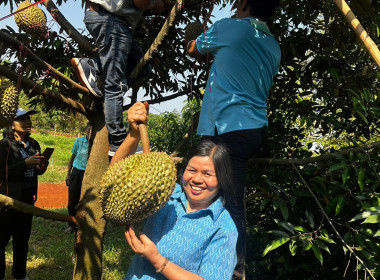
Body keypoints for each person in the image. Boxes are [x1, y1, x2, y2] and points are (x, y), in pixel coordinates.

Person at [186, 0, 281, 278]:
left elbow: (194, 49)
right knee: (222, 198)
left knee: (223, 201)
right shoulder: (273, 45)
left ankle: (234, 272)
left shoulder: (229, 28)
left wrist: (188, 39)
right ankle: (214, 260)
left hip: (228, 129)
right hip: (253, 129)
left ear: (244, 4)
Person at [109, 102, 238, 280]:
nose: (197, 179)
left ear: (222, 180)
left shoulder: (223, 227)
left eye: (207, 174)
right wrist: (133, 135)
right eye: (192, 170)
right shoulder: (166, 194)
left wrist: (158, 261)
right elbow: (116, 180)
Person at [70, 0, 173, 158]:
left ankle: (95, 67)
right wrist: (153, 3)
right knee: (115, 85)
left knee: (143, 68)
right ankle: (117, 140)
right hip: (111, 19)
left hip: (109, 19)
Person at [0, 108, 49, 280]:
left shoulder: (34, 144)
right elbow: (2, 173)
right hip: (8, 200)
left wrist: (40, 167)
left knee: (22, 240)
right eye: (23, 119)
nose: (28, 122)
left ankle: (19, 275)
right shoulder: (5, 145)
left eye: (29, 119)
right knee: (2, 239)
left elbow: (36, 171)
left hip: (27, 199)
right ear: (12, 124)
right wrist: (25, 163)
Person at [64, 123, 92, 233]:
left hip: (89, 174)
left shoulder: (96, 144)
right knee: (72, 201)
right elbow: (72, 157)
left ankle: (83, 225)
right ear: (86, 129)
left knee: (86, 200)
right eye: (89, 129)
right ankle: (72, 225)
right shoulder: (79, 141)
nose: (90, 131)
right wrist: (68, 174)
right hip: (76, 172)